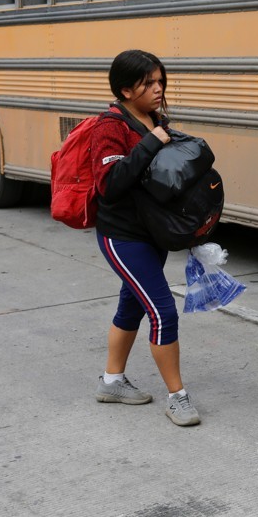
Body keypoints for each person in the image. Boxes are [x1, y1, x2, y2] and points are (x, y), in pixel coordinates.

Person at [90, 49, 201, 427]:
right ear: (124, 89)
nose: (158, 88)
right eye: (148, 82)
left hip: (152, 232)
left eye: (160, 81)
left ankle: (111, 381)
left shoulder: (155, 119)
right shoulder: (110, 127)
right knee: (162, 311)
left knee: (132, 306)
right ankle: (178, 397)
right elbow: (110, 184)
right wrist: (152, 141)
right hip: (123, 237)